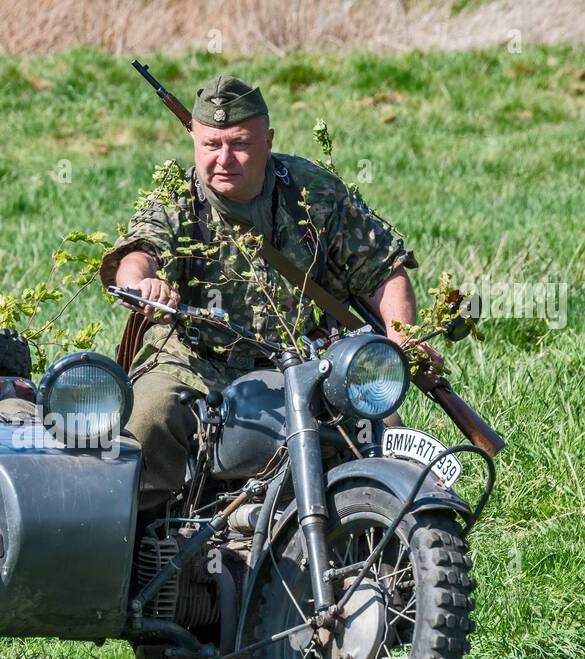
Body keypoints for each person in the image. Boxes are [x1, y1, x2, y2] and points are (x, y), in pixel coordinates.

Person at [99, 75, 431, 511]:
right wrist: (142, 282)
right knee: (145, 423)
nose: (224, 159)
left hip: (305, 359)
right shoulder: (176, 198)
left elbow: (383, 269)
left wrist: (401, 334)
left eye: (239, 144)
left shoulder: (312, 192)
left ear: (268, 140)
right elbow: (139, 253)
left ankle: (381, 552)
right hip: (195, 361)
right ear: (193, 142)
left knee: (379, 420)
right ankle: (138, 554)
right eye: (210, 145)